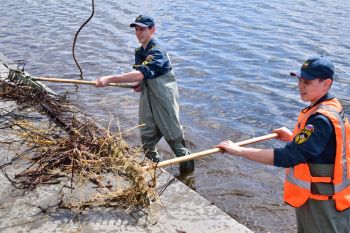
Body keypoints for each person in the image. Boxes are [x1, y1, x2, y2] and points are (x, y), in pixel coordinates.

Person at [216, 55, 350, 233]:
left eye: (308, 82)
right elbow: (325, 146)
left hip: (323, 203)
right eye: (300, 80)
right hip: (326, 198)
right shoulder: (332, 107)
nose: (301, 86)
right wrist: (293, 137)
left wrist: (239, 151)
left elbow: (286, 157)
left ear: (326, 84)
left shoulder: (320, 120)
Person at [95, 15, 194, 173]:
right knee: (147, 138)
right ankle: (154, 172)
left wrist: (110, 78)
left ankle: (188, 174)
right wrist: (140, 84)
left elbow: (141, 73)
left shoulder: (157, 52)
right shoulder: (141, 51)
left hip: (164, 98)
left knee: (175, 140)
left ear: (152, 30)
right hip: (148, 96)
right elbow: (141, 76)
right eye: (136, 29)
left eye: (142, 29)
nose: (138, 33)